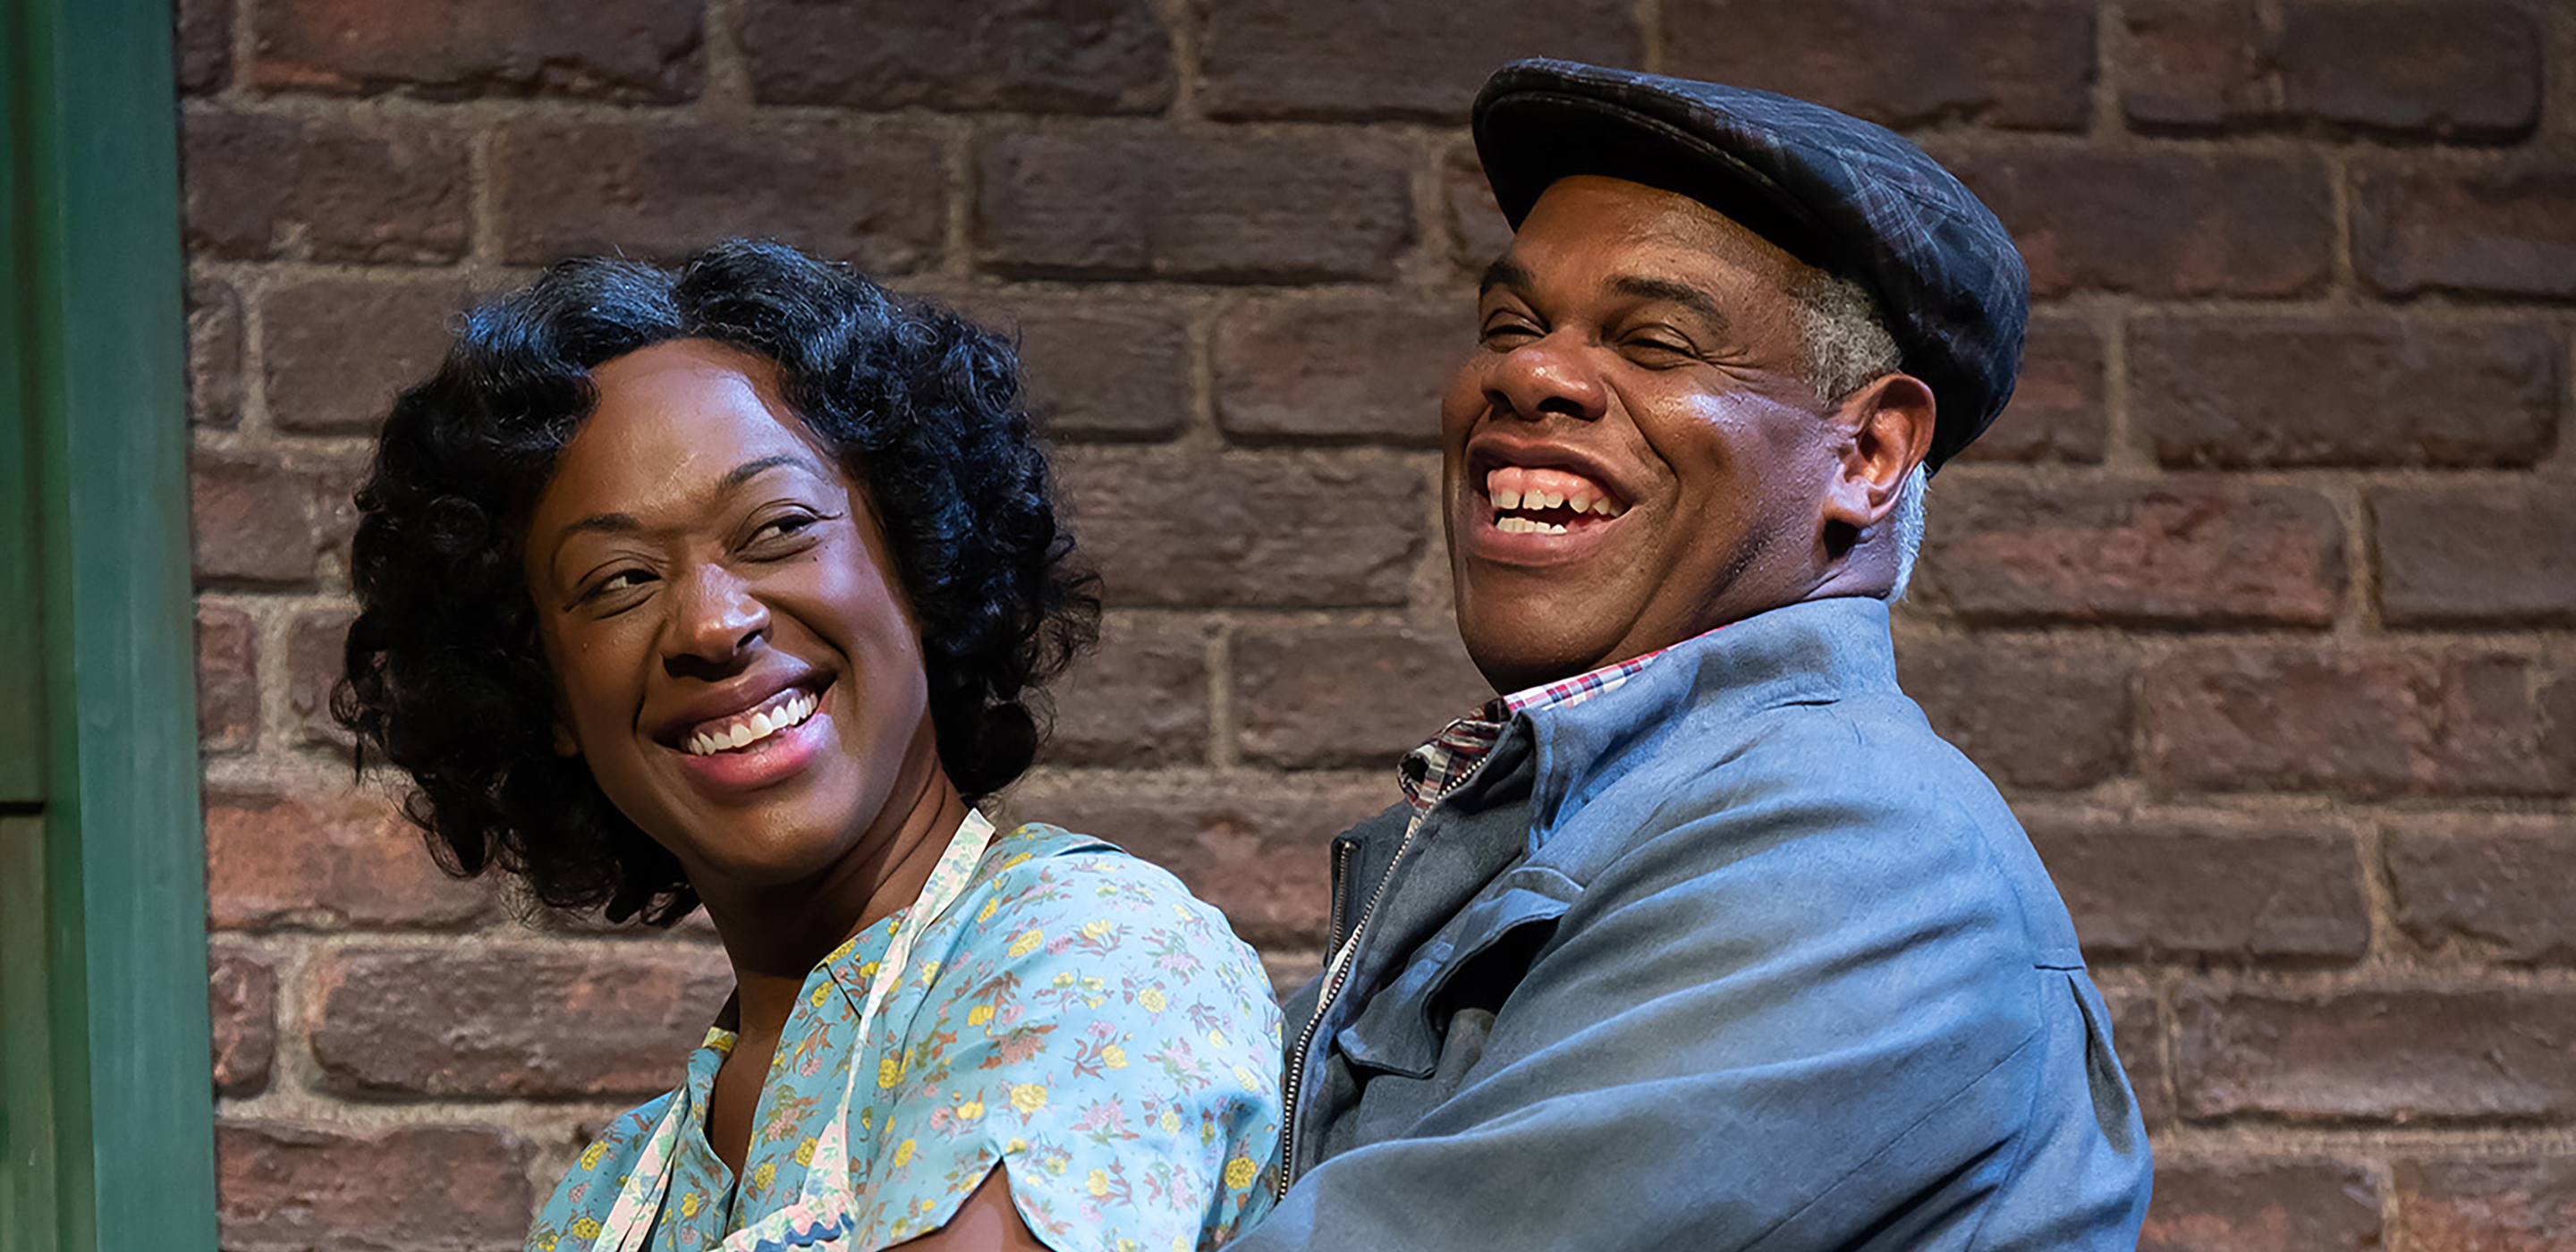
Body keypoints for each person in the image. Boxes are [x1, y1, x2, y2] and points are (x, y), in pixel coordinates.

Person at [1226, 60, 2153, 1250]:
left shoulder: (1856, 859)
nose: (1530, 372)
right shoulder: (1604, 821)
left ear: (1869, 453)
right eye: (1509, 325)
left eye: (1655, 342)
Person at [335, 241, 1282, 1252]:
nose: (711, 622)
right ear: (549, 695)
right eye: (618, 580)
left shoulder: (1085, 950)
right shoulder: (609, 1199)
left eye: (778, 526)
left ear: (920, 563)